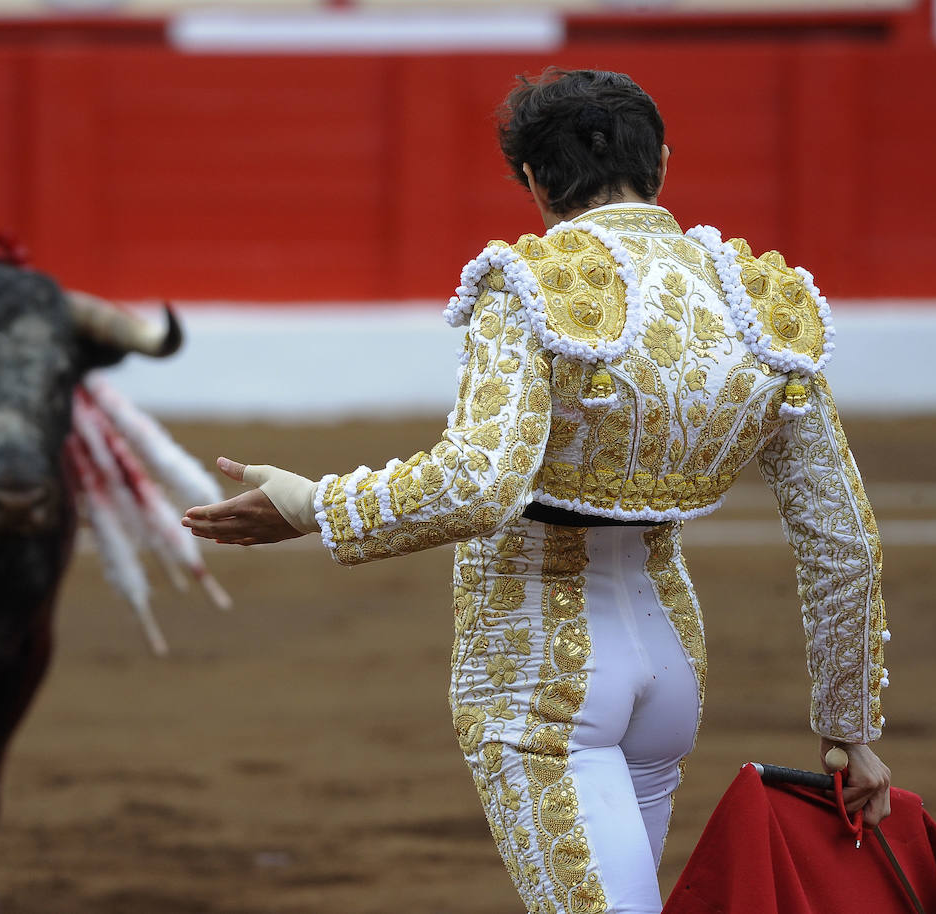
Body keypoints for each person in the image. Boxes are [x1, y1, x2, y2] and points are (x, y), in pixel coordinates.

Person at [182, 68, 891, 914]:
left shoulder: (531, 284)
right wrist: (850, 729)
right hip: (671, 663)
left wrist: (313, 506)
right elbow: (842, 537)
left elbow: (480, 485)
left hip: (539, 669)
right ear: (661, 159)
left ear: (532, 179)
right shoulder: (763, 303)